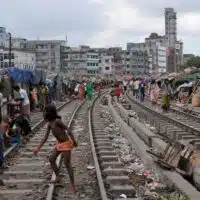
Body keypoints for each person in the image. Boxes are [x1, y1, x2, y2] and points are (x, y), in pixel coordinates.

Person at [34, 104, 77, 192]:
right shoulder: (50, 124)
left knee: (67, 164)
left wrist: (74, 141)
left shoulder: (57, 121)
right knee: (51, 159)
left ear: (50, 113)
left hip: (66, 144)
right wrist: (38, 147)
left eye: (45, 111)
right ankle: (58, 177)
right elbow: (45, 138)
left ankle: (73, 185)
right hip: (59, 144)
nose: (44, 112)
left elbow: (68, 129)